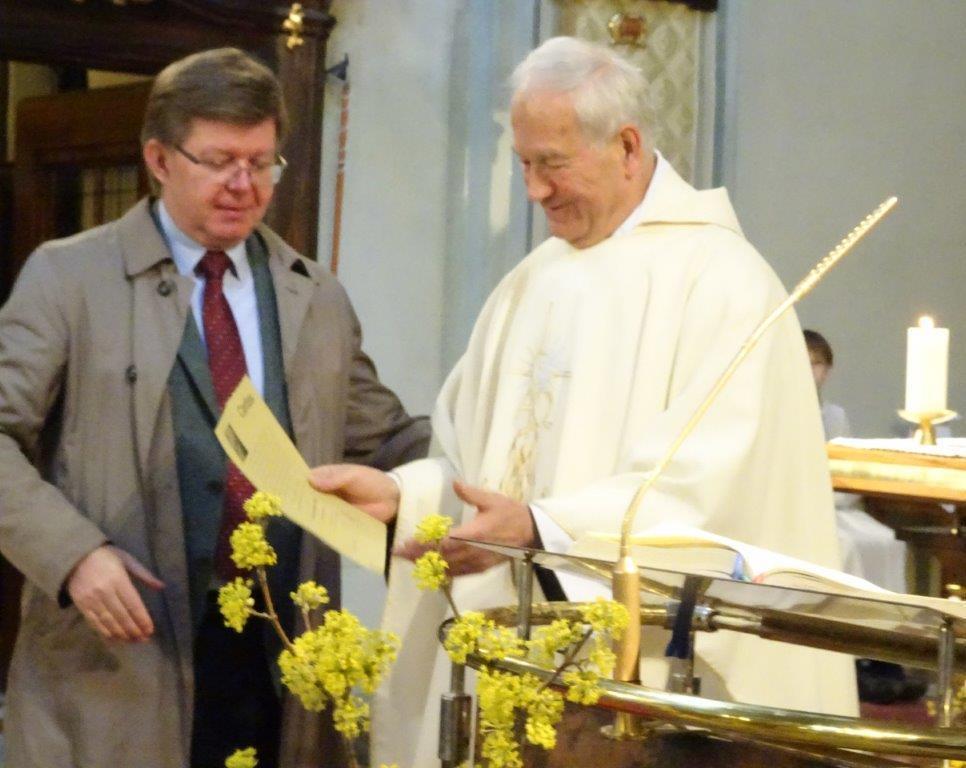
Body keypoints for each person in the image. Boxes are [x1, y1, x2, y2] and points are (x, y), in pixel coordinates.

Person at [311, 37, 856, 767]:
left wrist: (543, 527)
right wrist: (405, 497)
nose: (534, 190)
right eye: (523, 164)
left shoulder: (725, 285)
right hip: (513, 672)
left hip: (648, 692)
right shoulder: (529, 282)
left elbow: (710, 495)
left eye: (552, 164)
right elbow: (481, 466)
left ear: (626, 146)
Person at [0, 48, 428, 768]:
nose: (244, 185)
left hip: (274, 656)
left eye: (261, 163)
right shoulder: (68, 276)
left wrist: (482, 487)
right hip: (118, 657)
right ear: (159, 159)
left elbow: (387, 443)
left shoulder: (314, 294)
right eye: (220, 161)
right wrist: (73, 555)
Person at [804, 329, 923, 704]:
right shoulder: (780, 412)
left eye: (818, 364)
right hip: (805, 508)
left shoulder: (834, 415)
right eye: (804, 362)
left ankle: (887, 650)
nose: (811, 371)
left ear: (828, 370)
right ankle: (854, 655)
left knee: (886, 542)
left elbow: (845, 468)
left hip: (838, 504)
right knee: (847, 547)